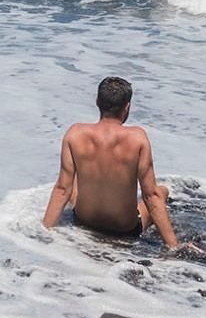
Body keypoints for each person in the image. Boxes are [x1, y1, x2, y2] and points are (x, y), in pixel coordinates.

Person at [42, 76, 180, 247]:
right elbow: (150, 196)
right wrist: (174, 246)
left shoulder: (75, 134)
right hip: (123, 229)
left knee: (75, 180)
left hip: (84, 220)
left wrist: (44, 231)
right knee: (162, 192)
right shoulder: (137, 138)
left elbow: (63, 189)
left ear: (97, 101)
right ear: (127, 107)